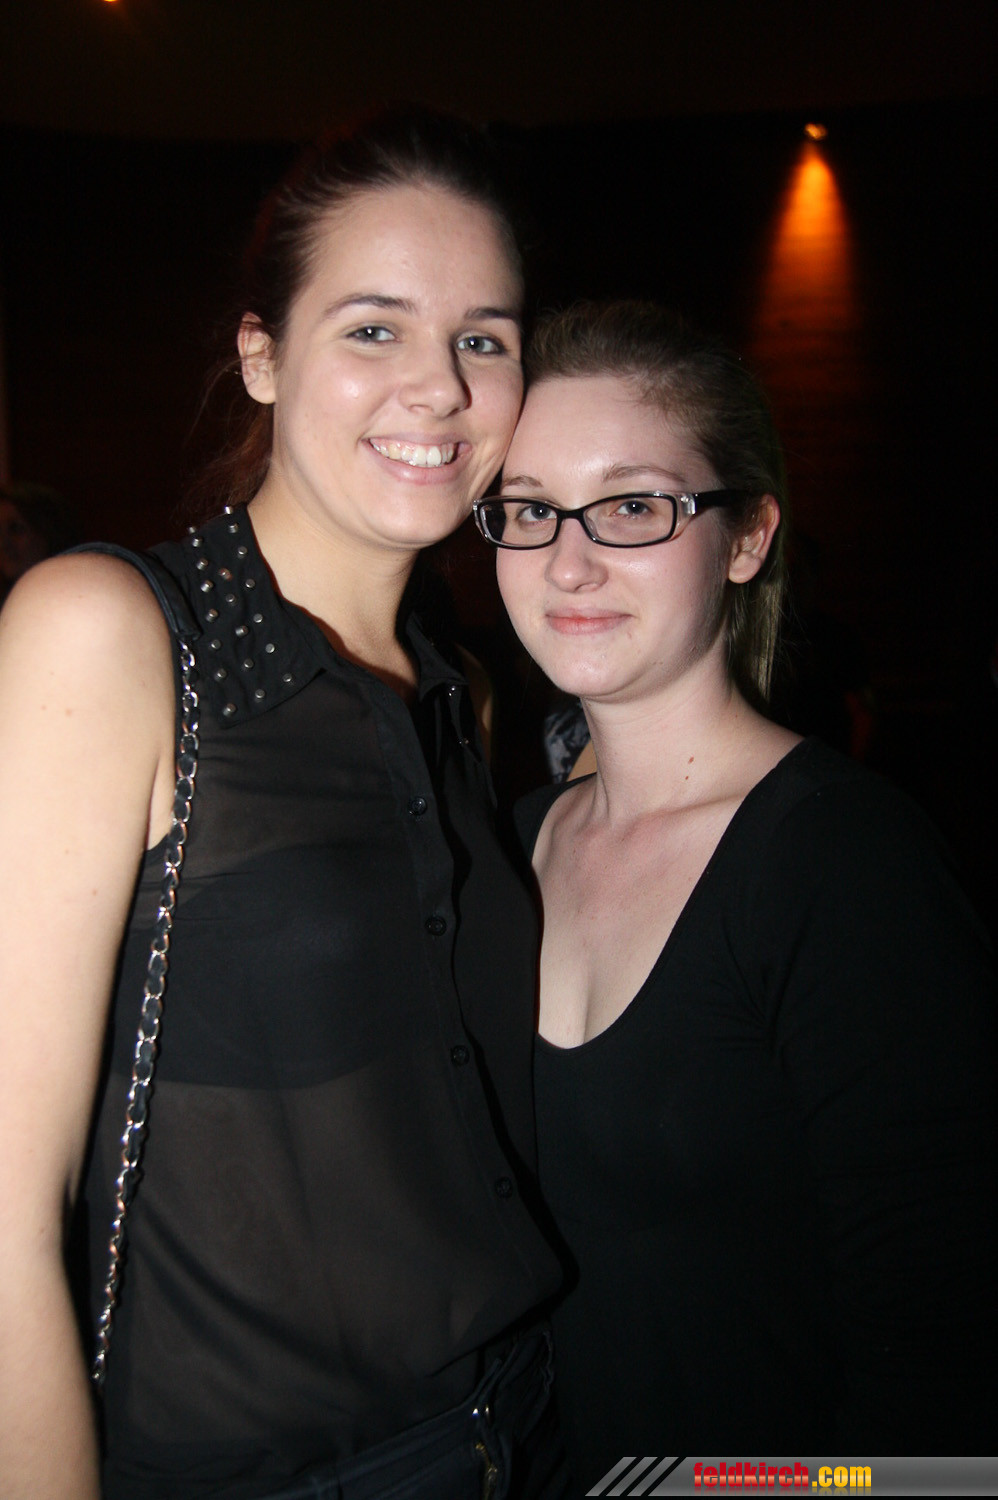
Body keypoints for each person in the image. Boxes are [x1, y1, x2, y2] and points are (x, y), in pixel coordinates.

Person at [0, 110, 569, 1500]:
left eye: (482, 339)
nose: (438, 387)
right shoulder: (111, 633)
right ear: (261, 355)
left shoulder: (459, 692)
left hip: (525, 1426)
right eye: (374, 328)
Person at [475, 300, 997, 1485]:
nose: (567, 561)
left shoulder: (842, 863)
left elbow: (942, 1387)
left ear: (746, 537)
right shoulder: (506, 850)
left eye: (631, 507)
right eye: (530, 508)